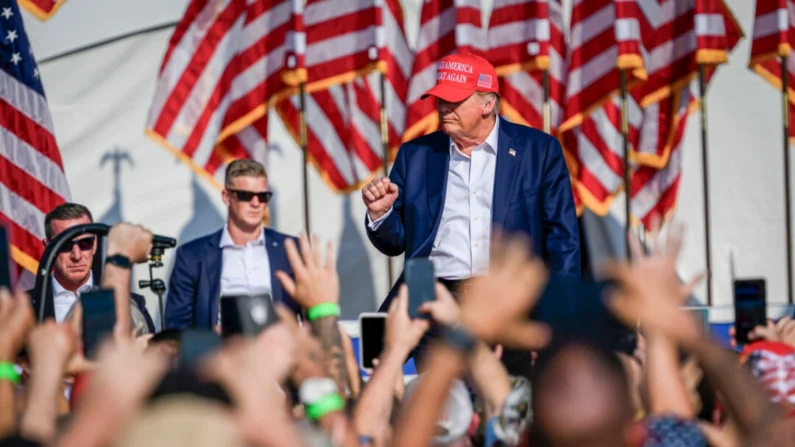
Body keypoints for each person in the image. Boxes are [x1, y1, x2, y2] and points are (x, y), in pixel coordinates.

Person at [362, 53, 580, 376]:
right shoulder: (416, 155)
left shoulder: (539, 151)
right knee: (445, 416)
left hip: (509, 306)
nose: (443, 108)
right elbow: (398, 242)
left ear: (487, 104)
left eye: (454, 100)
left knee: (507, 411)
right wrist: (380, 215)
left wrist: (557, 320)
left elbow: (563, 242)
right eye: (440, 99)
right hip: (434, 304)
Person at [165, 159, 300, 330]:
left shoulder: (291, 249)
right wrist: (210, 339)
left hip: (280, 351)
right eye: (246, 195)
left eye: (263, 196)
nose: (256, 203)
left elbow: (313, 313)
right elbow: (177, 326)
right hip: (219, 353)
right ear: (226, 197)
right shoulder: (192, 256)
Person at [27, 203, 155, 333]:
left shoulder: (133, 304)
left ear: (94, 244)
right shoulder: (24, 308)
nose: (76, 256)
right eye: (64, 244)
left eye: (85, 243)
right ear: (48, 247)